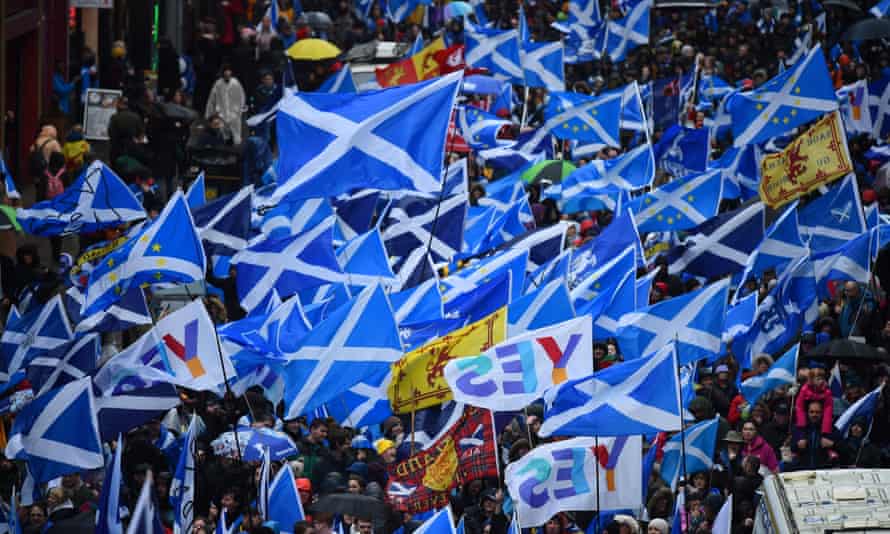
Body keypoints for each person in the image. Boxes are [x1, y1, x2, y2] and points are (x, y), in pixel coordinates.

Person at [792, 400, 839, 470]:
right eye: (812, 412)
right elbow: (791, 448)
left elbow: (844, 449)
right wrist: (797, 445)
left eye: (817, 412)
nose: (814, 415)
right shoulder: (799, 429)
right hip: (803, 470)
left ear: (822, 413)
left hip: (824, 471)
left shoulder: (831, 428)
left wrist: (832, 444)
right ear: (807, 413)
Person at [205, 65, 246, 145]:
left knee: (236, 137)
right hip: (222, 114)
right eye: (225, 73)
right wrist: (209, 114)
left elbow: (242, 97)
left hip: (234, 113)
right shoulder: (218, 84)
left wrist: (239, 109)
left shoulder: (235, 83)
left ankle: (236, 150)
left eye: (229, 73)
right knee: (224, 136)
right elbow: (212, 99)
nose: (227, 75)